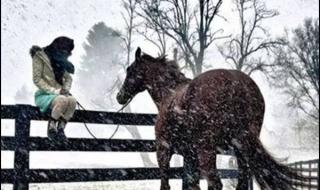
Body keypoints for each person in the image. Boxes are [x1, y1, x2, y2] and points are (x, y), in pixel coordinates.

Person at [30, 36, 77, 142]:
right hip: (44, 94)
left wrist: (65, 89)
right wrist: (55, 91)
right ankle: (51, 127)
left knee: (72, 101)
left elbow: (68, 78)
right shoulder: (40, 57)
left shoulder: (60, 61)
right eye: (65, 51)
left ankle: (61, 128)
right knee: (62, 100)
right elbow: (37, 79)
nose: (67, 54)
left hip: (60, 93)